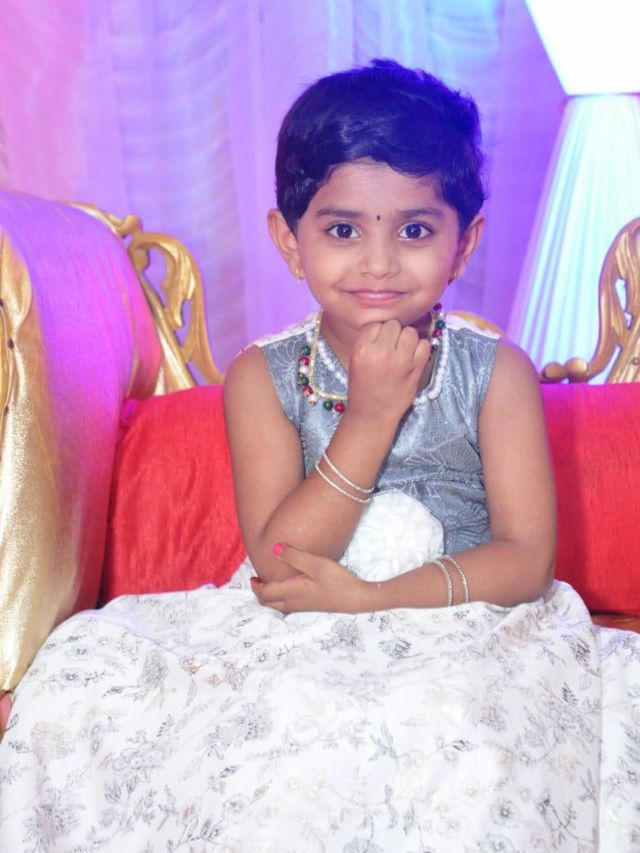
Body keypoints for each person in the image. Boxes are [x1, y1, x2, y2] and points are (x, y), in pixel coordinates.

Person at [0, 60, 638, 852]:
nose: (378, 262)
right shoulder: (262, 377)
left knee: (464, 740)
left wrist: (373, 600)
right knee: (266, 737)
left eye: (414, 230)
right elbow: (280, 558)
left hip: (464, 624)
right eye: (343, 231)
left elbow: (525, 558)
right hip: (299, 622)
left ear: (464, 242)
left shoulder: (495, 372)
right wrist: (370, 415)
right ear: (290, 241)